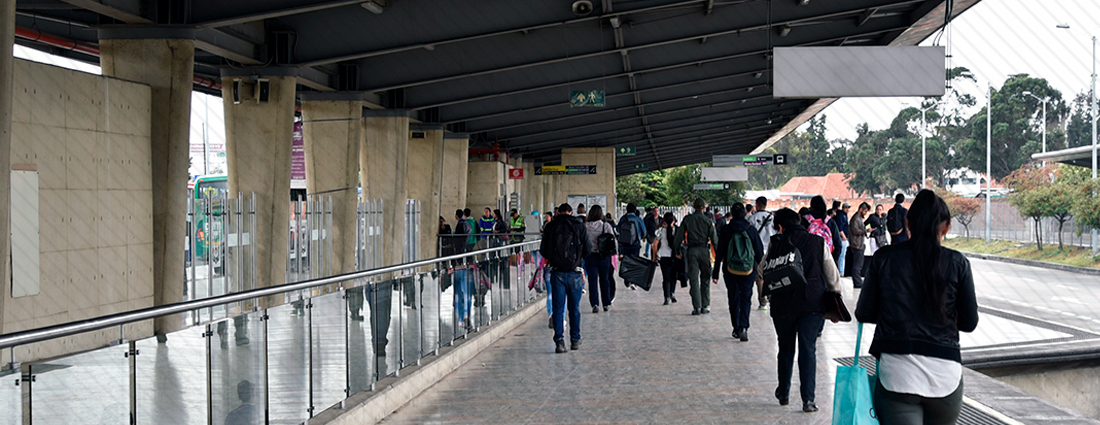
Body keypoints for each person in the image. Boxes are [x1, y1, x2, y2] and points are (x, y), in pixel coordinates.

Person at [855, 189, 979, 424]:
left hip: (898, 376)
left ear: (908, 222)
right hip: (945, 377)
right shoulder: (958, 263)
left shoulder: (884, 258)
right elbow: (969, 323)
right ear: (946, 228)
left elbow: (864, 312)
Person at [767, 207, 840, 413]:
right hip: (812, 304)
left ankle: (783, 392)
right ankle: (808, 400)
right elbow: (832, 274)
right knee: (808, 349)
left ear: (780, 226)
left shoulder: (775, 243)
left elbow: (762, 269)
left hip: (783, 305)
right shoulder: (818, 242)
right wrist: (836, 300)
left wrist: (764, 295)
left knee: (785, 348)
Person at [540, 203, 590, 353]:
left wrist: (555, 258)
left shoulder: (551, 226)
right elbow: (588, 249)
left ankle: (559, 341)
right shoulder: (579, 225)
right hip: (574, 272)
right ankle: (575, 339)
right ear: (570, 212)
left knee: (558, 308)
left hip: (556, 273)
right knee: (574, 308)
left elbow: (544, 250)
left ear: (559, 212)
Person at [712, 203, 764, 341]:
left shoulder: (726, 230)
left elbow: (720, 252)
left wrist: (715, 272)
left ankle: (735, 328)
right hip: (748, 270)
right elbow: (759, 253)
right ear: (744, 213)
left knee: (733, 297)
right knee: (746, 298)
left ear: (732, 214)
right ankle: (744, 326)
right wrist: (763, 273)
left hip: (730, 270)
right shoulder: (751, 230)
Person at [675, 198, 718, 316]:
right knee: (705, 278)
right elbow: (714, 239)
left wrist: (677, 250)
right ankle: (705, 305)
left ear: (694, 207)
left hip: (692, 251)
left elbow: (678, 237)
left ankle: (696, 307)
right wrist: (718, 256)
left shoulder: (687, 219)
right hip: (704, 250)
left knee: (693, 279)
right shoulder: (708, 221)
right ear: (704, 207)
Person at [584, 205, 616, 313]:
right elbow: (612, 240)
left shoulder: (585, 227)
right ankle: (606, 303)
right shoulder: (605, 226)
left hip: (590, 257)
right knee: (605, 280)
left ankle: (595, 304)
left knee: (592, 281)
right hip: (603, 256)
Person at [747, 197, 774, 310]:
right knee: (772, 274)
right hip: (771, 250)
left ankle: (763, 302)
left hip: (757, 251)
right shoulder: (773, 218)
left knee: (760, 277)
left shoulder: (752, 218)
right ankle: (772, 299)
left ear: (757, 204)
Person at [654, 213, 683, 305]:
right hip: (675, 257)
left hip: (664, 256)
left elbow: (654, 245)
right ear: (673, 221)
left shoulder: (660, 231)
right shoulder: (678, 231)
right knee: (673, 277)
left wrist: (655, 257)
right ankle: (672, 293)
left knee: (666, 278)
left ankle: (666, 297)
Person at [617, 203, 648, 287]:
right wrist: (639, 237)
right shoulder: (638, 219)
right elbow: (644, 232)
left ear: (626, 210)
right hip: (635, 244)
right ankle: (633, 281)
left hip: (624, 244)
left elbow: (618, 229)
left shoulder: (623, 219)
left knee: (626, 262)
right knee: (635, 262)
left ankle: (627, 281)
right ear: (635, 210)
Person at [452, 209, 473, 328]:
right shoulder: (467, 223)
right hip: (465, 258)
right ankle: (466, 316)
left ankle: (462, 317)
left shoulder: (460, 224)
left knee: (459, 292)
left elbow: (458, 239)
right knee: (465, 292)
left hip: (460, 259)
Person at [848, 202, 869, 288]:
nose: (865, 213)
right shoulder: (856, 218)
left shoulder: (859, 218)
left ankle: (858, 281)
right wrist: (866, 231)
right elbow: (855, 231)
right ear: (861, 209)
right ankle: (857, 282)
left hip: (859, 244)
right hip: (856, 245)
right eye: (865, 211)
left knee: (859, 264)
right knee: (857, 265)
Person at [862, 204, 886, 278]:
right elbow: (864, 224)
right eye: (877, 209)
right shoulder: (872, 217)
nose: (879, 211)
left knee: (882, 253)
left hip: (882, 237)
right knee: (874, 253)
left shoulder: (884, 217)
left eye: (880, 209)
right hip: (874, 237)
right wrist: (866, 231)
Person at [836, 201, 851, 275]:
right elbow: (840, 227)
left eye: (848, 208)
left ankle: (842, 270)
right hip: (842, 238)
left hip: (845, 237)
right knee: (841, 255)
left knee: (843, 255)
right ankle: (841, 271)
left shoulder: (845, 216)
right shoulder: (841, 216)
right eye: (846, 208)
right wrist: (844, 236)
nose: (847, 209)